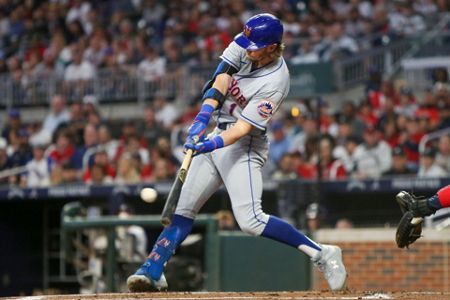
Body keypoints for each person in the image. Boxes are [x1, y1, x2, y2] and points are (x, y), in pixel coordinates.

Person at [127, 13, 347, 292]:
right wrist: (203, 116)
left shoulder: (277, 81)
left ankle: (322, 253)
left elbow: (243, 129)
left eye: (254, 46)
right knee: (182, 210)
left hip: (244, 146)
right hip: (218, 130)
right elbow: (220, 77)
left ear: (271, 48)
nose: (247, 47)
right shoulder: (246, 45)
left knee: (251, 221)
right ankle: (153, 269)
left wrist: (210, 145)